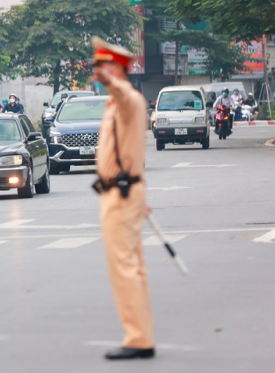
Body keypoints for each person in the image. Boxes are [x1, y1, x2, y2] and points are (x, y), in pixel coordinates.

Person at [90, 37, 154, 361]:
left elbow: (123, 92)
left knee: (124, 268)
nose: (96, 74)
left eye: (101, 67)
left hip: (122, 193)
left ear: (116, 69)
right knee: (134, 266)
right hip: (123, 191)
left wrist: (110, 79)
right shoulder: (116, 104)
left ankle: (138, 338)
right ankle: (141, 334)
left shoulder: (128, 98)